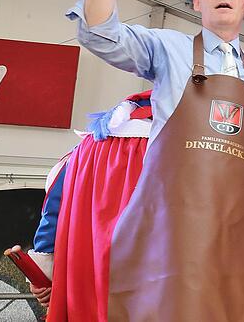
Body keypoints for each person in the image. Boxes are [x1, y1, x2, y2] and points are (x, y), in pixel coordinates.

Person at [64, 0, 244, 322]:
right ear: (197, 3)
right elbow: (98, 32)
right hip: (172, 224)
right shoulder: (168, 50)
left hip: (235, 229)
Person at [29, 91, 152, 320]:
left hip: (84, 286)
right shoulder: (175, 152)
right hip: (153, 286)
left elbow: (51, 215)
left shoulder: (80, 152)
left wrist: (44, 276)